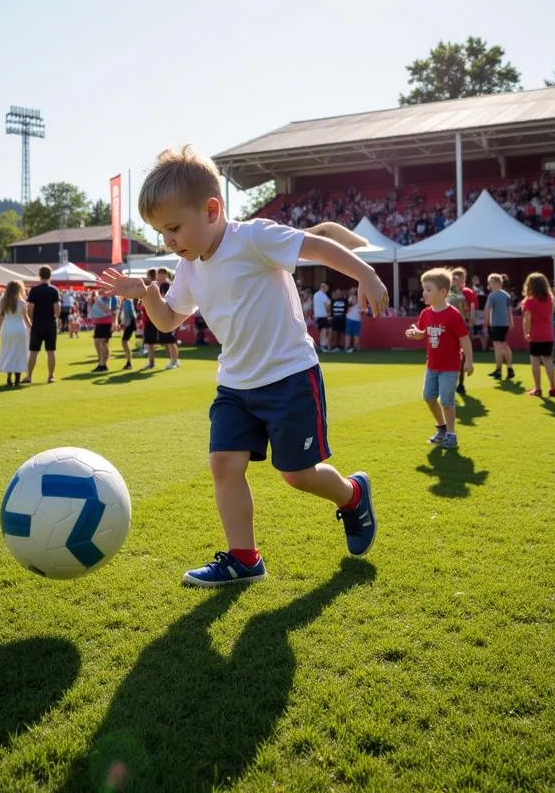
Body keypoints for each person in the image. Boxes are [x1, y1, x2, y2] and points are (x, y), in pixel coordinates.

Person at [97, 145, 387, 587]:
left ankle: (351, 495)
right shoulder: (188, 266)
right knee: (224, 466)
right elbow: (169, 320)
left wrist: (364, 273)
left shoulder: (253, 237)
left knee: (297, 475)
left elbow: (318, 246)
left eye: (173, 228)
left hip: (289, 376)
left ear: (212, 209)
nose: (168, 241)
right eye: (161, 232)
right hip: (234, 385)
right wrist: (147, 295)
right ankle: (244, 558)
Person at [405, 269, 474, 449]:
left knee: (446, 401)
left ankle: (451, 434)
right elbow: (423, 333)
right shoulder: (425, 314)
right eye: (423, 289)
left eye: (428, 289)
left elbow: (464, 339)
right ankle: (442, 427)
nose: (424, 293)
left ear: (442, 293)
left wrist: (469, 361)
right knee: (428, 397)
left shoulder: (453, 315)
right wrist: (416, 333)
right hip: (432, 365)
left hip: (450, 366)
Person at [521, 272, 555, 398]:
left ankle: (538, 388)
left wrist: (526, 332)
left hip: (536, 334)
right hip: (548, 333)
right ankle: (553, 387)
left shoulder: (529, 301)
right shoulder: (550, 299)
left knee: (535, 361)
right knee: (548, 361)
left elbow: (527, 319)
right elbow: (550, 315)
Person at [23, 266, 60, 384]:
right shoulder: (54, 290)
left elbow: (30, 309)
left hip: (38, 323)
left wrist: (33, 318)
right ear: (50, 275)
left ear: (39, 275)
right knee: (51, 351)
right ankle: (51, 376)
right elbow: (57, 308)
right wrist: (56, 317)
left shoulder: (34, 290)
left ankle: (29, 376)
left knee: (33, 351)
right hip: (50, 322)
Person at [0, 280, 31, 387]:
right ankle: (17, 378)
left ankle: (9, 376)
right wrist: (31, 327)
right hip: (19, 328)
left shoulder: (3, 301)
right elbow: (26, 319)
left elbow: (1, 316)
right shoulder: (22, 303)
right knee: (19, 352)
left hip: (7, 328)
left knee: (7, 351)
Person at [485, 273, 514, 380]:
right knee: (503, 345)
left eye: (490, 283)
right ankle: (509, 368)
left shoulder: (492, 295)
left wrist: (486, 322)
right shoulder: (506, 295)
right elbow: (510, 310)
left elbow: (488, 309)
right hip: (504, 324)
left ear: (496, 283)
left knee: (498, 347)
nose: (489, 285)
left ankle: (499, 370)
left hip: (496, 324)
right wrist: (511, 321)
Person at [155, 268, 180, 369]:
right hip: (169, 315)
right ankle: (174, 360)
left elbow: (165, 299)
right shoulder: (163, 285)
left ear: (165, 274)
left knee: (171, 341)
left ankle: (174, 361)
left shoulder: (166, 285)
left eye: (161, 274)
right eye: (158, 274)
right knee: (170, 340)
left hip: (170, 315)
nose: (159, 276)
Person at [89, 291, 114, 372]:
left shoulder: (107, 297)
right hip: (98, 322)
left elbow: (107, 311)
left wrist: (97, 300)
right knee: (97, 343)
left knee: (103, 343)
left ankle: (103, 364)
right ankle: (100, 363)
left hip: (106, 322)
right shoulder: (99, 297)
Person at [139, 268, 159, 365]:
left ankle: (151, 362)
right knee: (150, 343)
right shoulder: (153, 287)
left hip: (150, 320)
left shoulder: (152, 287)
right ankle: (151, 361)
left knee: (151, 343)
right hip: (150, 319)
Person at [118, 295, 137, 370]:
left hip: (130, 324)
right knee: (124, 342)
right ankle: (128, 361)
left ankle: (129, 362)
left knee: (124, 342)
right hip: (127, 324)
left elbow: (133, 314)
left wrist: (135, 327)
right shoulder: (124, 302)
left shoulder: (128, 301)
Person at [312, 282, 331, 352]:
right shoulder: (323, 295)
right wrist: (329, 312)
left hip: (317, 316)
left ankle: (322, 346)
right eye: (326, 288)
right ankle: (324, 347)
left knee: (322, 332)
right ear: (323, 287)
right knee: (324, 331)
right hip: (323, 316)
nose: (327, 290)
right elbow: (327, 306)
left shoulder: (315, 295)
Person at [329, 288, 347, 353]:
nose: (338, 294)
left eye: (339, 293)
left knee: (342, 333)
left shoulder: (345, 300)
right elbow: (331, 310)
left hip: (342, 319)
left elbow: (346, 309)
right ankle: (336, 347)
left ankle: (342, 347)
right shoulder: (333, 300)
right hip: (335, 319)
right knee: (335, 333)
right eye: (337, 293)